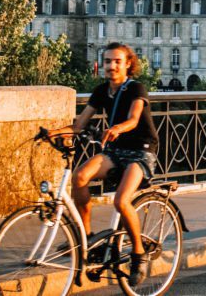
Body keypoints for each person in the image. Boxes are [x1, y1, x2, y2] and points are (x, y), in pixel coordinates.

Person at [47, 43, 159, 287]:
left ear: (128, 64)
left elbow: (133, 119)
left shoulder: (135, 88)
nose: (111, 66)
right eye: (107, 61)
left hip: (141, 152)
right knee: (79, 177)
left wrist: (117, 128)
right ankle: (87, 240)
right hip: (116, 150)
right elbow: (79, 125)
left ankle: (139, 255)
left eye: (117, 61)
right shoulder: (101, 91)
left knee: (120, 201)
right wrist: (53, 133)